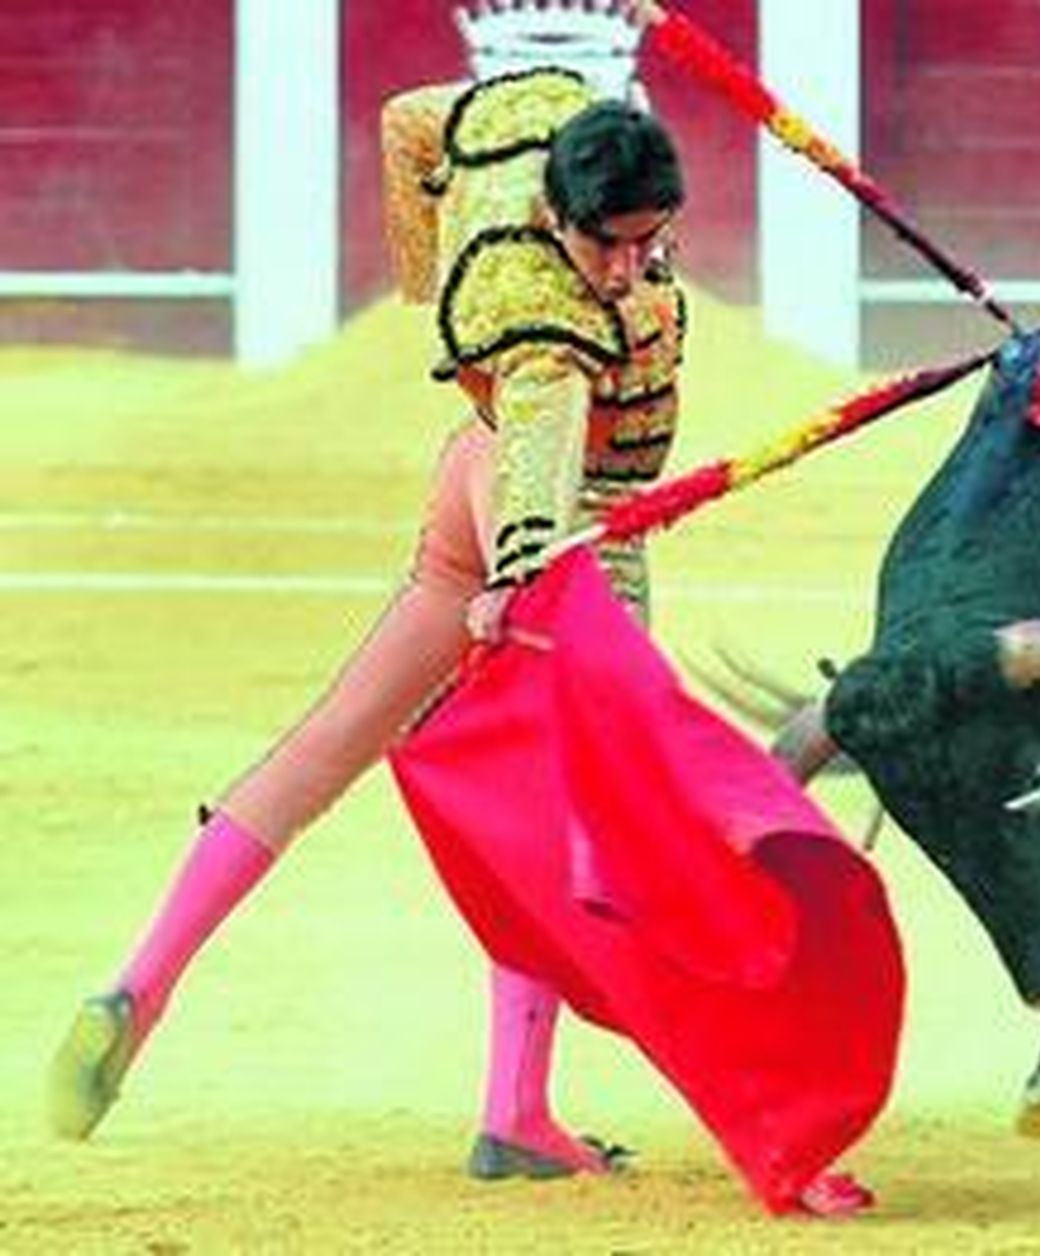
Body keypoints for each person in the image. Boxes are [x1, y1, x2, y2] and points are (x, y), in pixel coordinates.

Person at [50, 63, 692, 1185]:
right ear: (556, 216)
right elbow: (542, 453)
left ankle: (139, 986)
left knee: (328, 742)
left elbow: (409, 122)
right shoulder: (541, 329)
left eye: (650, 241)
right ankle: (515, 1109)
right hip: (555, 514)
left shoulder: (537, 129)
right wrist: (525, 573)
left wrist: (427, 284)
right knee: (578, 808)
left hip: (466, 477)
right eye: (608, 247)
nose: (629, 267)